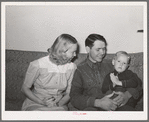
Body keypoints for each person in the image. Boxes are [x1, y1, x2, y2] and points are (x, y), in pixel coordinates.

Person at [69, 34, 142, 111]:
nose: (102, 52)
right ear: (88, 49)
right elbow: (74, 97)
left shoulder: (113, 64)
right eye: (98, 49)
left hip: (118, 106)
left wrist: (127, 95)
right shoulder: (80, 70)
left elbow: (138, 83)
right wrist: (98, 102)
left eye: (104, 49)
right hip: (94, 108)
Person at [21, 34, 78, 111]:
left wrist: (58, 103)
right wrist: (41, 102)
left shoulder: (72, 67)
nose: (75, 55)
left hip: (58, 104)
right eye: (73, 52)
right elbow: (25, 88)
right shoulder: (37, 65)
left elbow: (70, 92)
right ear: (62, 51)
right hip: (36, 102)